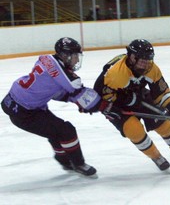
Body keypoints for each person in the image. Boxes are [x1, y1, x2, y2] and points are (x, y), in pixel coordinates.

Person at [1, 37, 105, 176]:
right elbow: (85, 96)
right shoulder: (66, 76)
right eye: (74, 56)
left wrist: (76, 100)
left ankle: (64, 161)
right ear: (64, 55)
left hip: (19, 101)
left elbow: (54, 91)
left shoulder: (47, 59)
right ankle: (78, 164)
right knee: (67, 131)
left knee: (56, 131)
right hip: (24, 112)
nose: (76, 60)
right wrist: (103, 105)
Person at [93, 39, 170, 171]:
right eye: (142, 60)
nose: (145, 64)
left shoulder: (151, 68)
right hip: (115, 104)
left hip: (138, 95)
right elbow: (101, 96)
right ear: (132, 57)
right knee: (134, 130)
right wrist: (123, 101)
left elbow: (161, 92)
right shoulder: (116, 74)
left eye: (148, 59)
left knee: (163, 123)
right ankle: (156, 156)